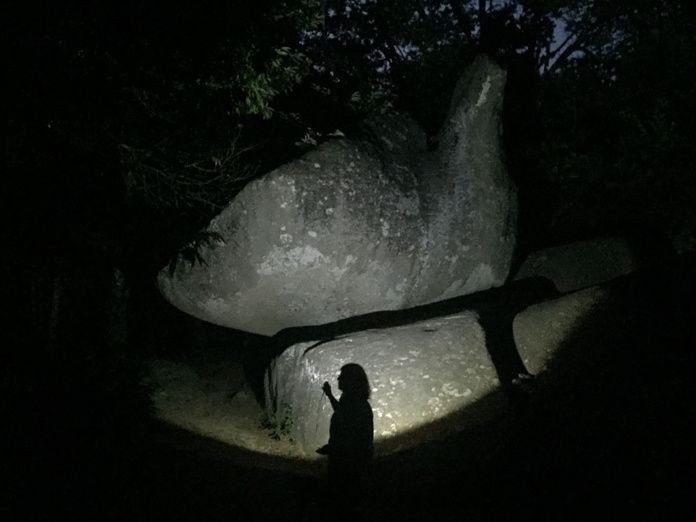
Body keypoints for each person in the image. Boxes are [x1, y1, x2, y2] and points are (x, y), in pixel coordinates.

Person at [316, 363, 374, 519]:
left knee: (343, 505)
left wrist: (333, 448)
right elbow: (343, 414)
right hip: (344, 462)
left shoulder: (358, 406)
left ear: (351, 380)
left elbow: (355, 442)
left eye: (342, 376)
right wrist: (329, 395)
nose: (338, 378)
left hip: (348, 467)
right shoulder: (350, 400)